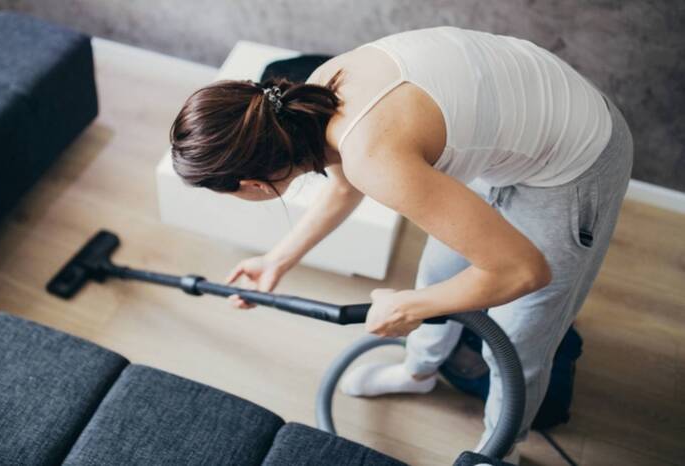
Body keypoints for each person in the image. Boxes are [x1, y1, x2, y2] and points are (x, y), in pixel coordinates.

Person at [169, 26, 633, 463]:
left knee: (515, 340)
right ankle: (419, 373)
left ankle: (502, 449)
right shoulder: (306, 98)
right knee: (439, 275)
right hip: (514, 137)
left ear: (250, 183)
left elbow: (523, 271)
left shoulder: (375, 157)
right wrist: (278, 259)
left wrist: (410, 308)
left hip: (575, 163)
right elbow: (344, 186)